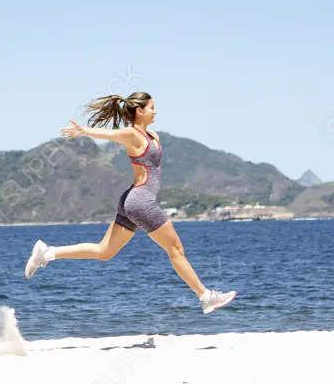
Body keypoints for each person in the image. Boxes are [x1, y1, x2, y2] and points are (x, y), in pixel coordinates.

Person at [23, 91, 237, 314]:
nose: (155, 111)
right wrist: (84, 131)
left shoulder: (153, 135)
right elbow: (110, 135)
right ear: (140, 110)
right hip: (141, 201)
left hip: (132, 199)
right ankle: (205, 296)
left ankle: (47, 253)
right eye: (152, 107)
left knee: (104, 251)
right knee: (175, 249)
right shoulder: (132, 134)